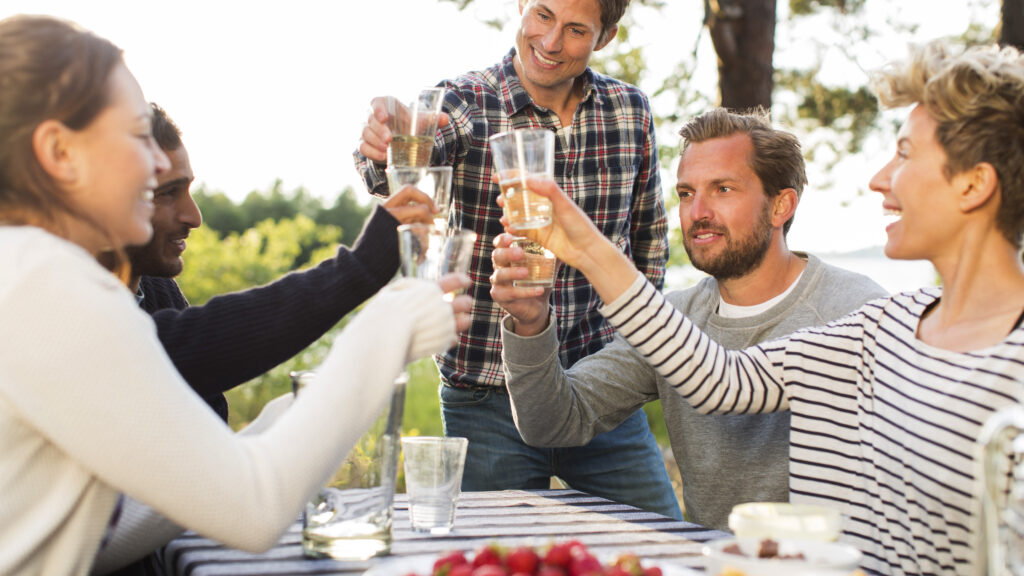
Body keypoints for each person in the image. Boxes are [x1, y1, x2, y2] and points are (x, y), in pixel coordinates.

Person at [503, 40, 1024, 575]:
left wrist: (590, 248)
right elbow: (720, 380)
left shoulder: (864, 309)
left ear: (973, 184)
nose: (878, 179)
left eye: (907, 153)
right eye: (685, 193)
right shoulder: (885, 326)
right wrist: (565, 276)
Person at [0, 14, 470, 576]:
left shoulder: (26, 272)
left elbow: (104, 527)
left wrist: (292, 418)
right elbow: (254, 510)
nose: (154, 165)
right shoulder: (46, 283)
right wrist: (394, 321)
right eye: (134, 136)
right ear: (58, 152)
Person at [354, 0, 681, 519]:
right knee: (495, 554)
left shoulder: (630, 111)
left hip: (601, 393)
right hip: (488, 399)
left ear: (607, 36)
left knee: (663, 543)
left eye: (575, 30)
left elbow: (648, 246)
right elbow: (405, 164)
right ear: (523, 6)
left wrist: (634, 359)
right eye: (544, 15)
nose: (551, 42)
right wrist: (388, 145)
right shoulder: (466, 101)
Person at [490, 108, 887, 530]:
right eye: (685, 193)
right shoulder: (677, 317)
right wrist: (530, 324)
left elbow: (722, 382)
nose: (698, 212)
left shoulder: (853, 307)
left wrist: (587, 248)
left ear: (780, 205)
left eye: (723, 189)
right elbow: (553, 423)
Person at [126, 103, 441, 421]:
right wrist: (363, 266)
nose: (194, 217)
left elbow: (199, 395)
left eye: (187, 190)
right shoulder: (87, 319)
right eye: (166, 193)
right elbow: (185, 351)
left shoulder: (155, 288)